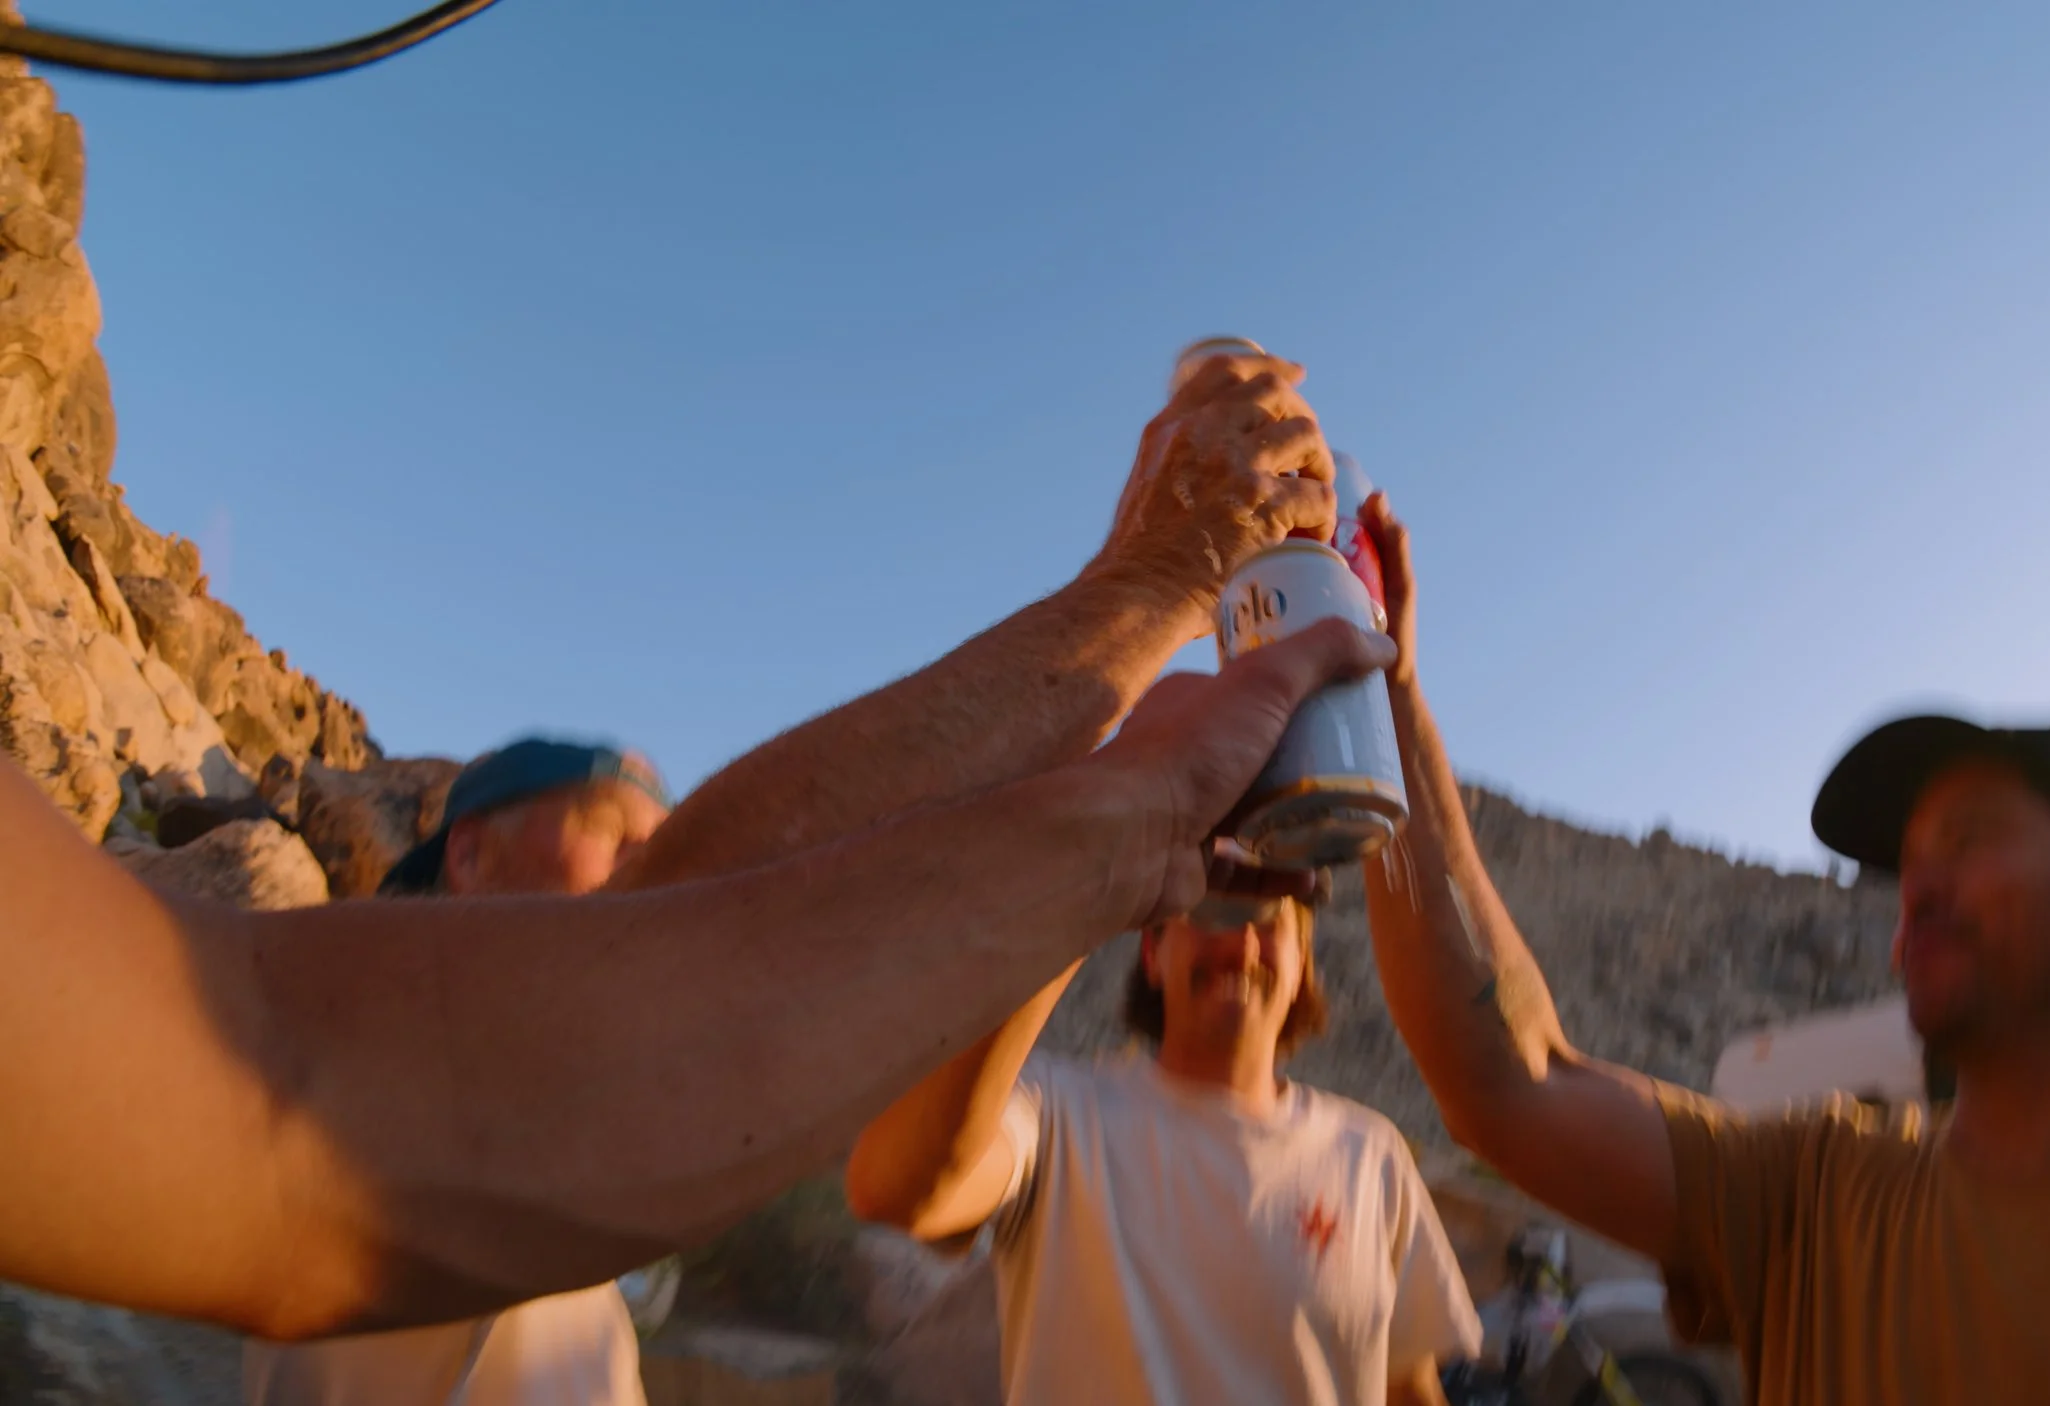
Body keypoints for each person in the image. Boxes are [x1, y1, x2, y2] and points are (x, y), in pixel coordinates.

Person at [0, 352, 1391, 1342]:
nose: (668, 876)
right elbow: (679, 953)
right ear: (467, 860)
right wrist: (1147, 602)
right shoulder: (426, 1096)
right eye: (612, 844)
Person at [1350, 495, 2050, 1404]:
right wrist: (1385, 693)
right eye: (1909, 862)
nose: (1919, 886)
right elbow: (1507, 1076)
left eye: (1971, 839)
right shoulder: (1815, 1199)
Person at [846, 864, 1481, 1406]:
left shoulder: (1371, 1155)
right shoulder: (1056, 1113)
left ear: (1301, 962)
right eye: (1210, 911)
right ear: (1153, 953)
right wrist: (1091, 884)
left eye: (1267, 921)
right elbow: (898, 1188)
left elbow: (1407, 1388)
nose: (1239, 945)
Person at [243, 738, 674, 1406]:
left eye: (660, 845)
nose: (647, 865)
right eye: (610, 827)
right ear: (470, 856)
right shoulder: (349, 1069)